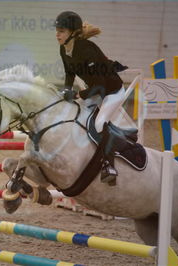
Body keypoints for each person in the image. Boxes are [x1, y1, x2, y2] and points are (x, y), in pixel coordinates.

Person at [55, 11, 129, 183]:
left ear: (72, 33)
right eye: (57, 30)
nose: (57, 34)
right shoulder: (63, 48)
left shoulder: (86, 50)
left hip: (112, 91)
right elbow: (69, 73)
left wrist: (77, 94)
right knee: (76, 117)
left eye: (62, 31)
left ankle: (109, 166)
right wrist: (66, 90)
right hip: (95, 90)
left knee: (99, 123)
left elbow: (101, 86)